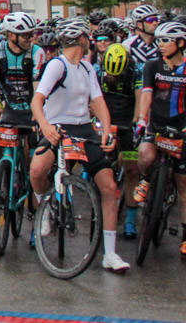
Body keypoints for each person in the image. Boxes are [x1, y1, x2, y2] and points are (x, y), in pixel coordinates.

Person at [30, 21, 130, 273]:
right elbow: (37, 101)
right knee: (37, 170)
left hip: (84, 128)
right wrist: (45, 126)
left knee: (108, 186)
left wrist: (107, 130)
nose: (91, 40)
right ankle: (45, 210)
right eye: (88, 36)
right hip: (58, 126)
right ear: (81, 39)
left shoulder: (87, 68)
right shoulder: (57, 65)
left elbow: (97, 101)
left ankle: (110, 253)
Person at [130, 19, 186, 259]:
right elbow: (146, 94)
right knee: (144, 154)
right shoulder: (152, 66)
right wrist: (142, 119)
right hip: (157, 125)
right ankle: (145, 179)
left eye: (166, 41)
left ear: (181, 43)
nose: (160, 44)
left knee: (184, 186)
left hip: (182, 129)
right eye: (159, 40)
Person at [0, 12, 42, 180]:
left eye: (32, 34)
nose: (31, 38)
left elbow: (37, 87)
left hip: (32, 110)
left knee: (30, 151)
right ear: (12, 35)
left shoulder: (37, 52)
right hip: (10, 110)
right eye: (26, 35)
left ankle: (31, 184)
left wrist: (37, 117)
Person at [96, 42, 141, 238]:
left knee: (131, 168)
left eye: (117, 75)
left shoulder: (136, 71)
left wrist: (136, 123)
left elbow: (140, 99)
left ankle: (130, 219)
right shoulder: (98, 72)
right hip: (107, 117)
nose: (113, 78)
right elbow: (93, 98)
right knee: (100, 164)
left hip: (127, 119)